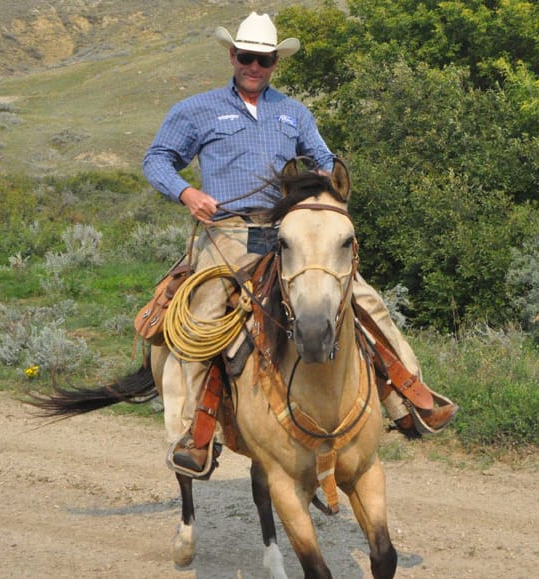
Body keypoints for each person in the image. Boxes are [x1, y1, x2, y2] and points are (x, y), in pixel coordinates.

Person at [143, 11, 457, 476]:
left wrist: (329, 187)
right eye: (247, 57)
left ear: (274, 63)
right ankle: (196, 433)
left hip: (290, 234)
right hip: (228, 233)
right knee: (204, 317)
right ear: (232, 56)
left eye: (264, 60)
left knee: (365, 301)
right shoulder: (196, 110)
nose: (255, 66)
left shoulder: (294, 113)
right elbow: (157, 159)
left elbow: (326, 161)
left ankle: (411, 396)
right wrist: (187, 193)